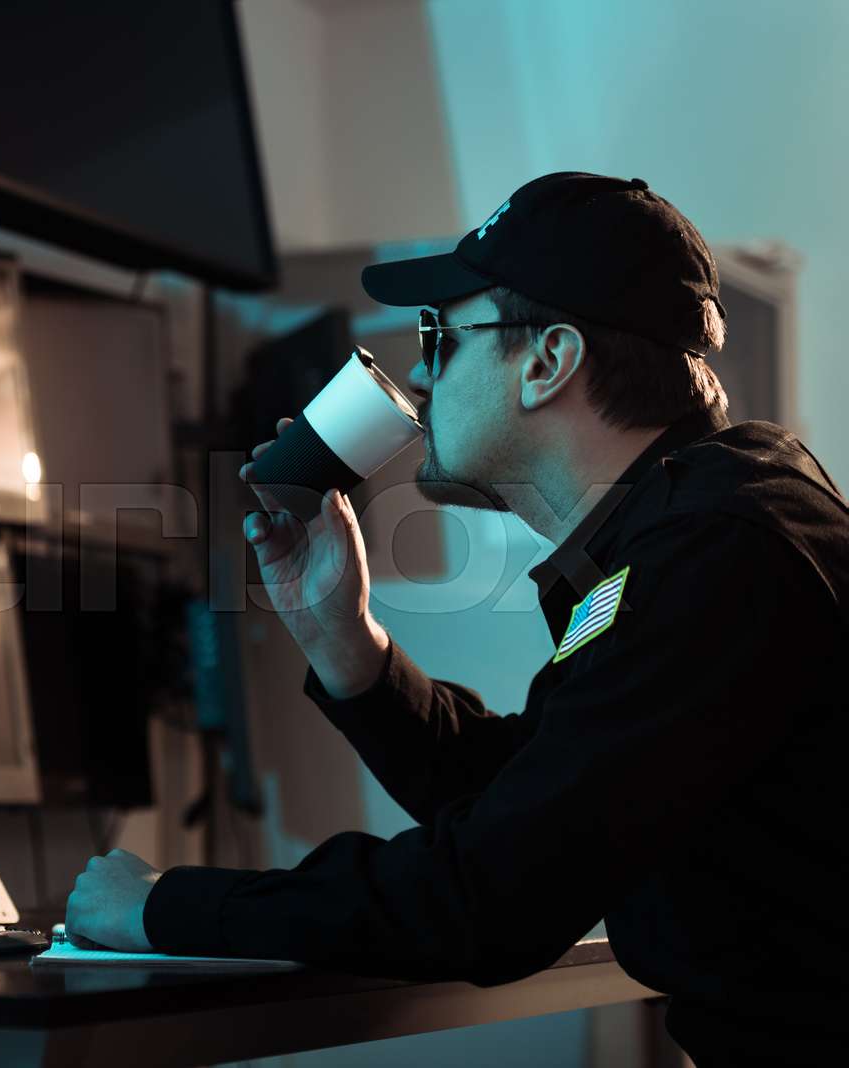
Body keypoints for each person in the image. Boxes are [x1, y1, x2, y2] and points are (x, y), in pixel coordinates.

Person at [63, 173, 849, 1065]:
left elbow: (490, 897)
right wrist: (346, 642)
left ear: (548, 361)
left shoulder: (718, 552)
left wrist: (164, 905)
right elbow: (536, 799)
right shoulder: (691, 530)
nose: (422, 376)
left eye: (442, 337)